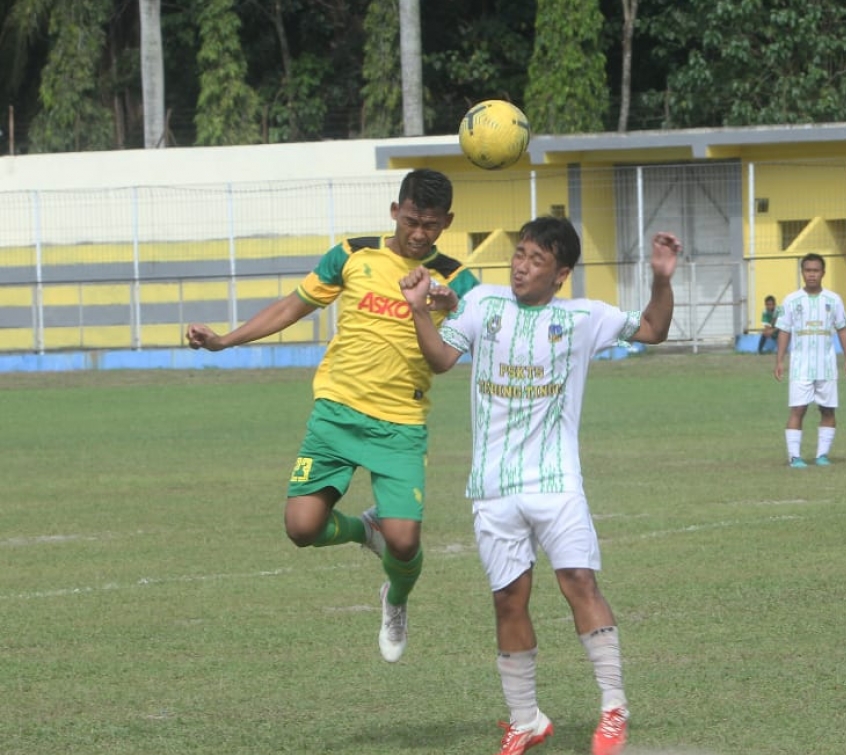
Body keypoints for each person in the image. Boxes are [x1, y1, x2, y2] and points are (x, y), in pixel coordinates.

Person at [400, 216, 682, 755]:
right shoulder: (483, 303)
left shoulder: (582, 318)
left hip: (555, 481)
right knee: (509, 600)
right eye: (520, 253)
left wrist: (662, 279)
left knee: (579, 581)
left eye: (535, 259)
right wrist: (418, 311)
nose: (521, 265)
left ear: (561, 274)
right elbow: (440, 360)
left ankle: (614, 709)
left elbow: (654, 329)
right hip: (493, 486)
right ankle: (525, 719)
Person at [185, 168, 477, 662]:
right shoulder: (352, 253)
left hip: (400, 424)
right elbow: (290, 307)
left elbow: (455, 353)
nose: (419, 233)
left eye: (430, 224)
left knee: (405, 543)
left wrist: (446, 303)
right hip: (335, 414)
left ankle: (396, 598)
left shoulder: (458, 280)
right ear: (394, 211)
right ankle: (366, 529)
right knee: (301, 528)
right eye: (411, 220)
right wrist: (224, 341)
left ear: (446, 222)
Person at [772, 253, 846, 467]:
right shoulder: (791, 300)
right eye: (808, 270)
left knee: (827, 410)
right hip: (800, 366)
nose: (811, 275)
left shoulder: (833, 300)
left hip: (826, 366)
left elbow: (842, 329)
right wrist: (779, 361)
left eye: (815, 270)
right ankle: (794, 457)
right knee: (798, 409)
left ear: (823, 273)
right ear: (802, 273)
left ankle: (822, 455)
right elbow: (783, 331)